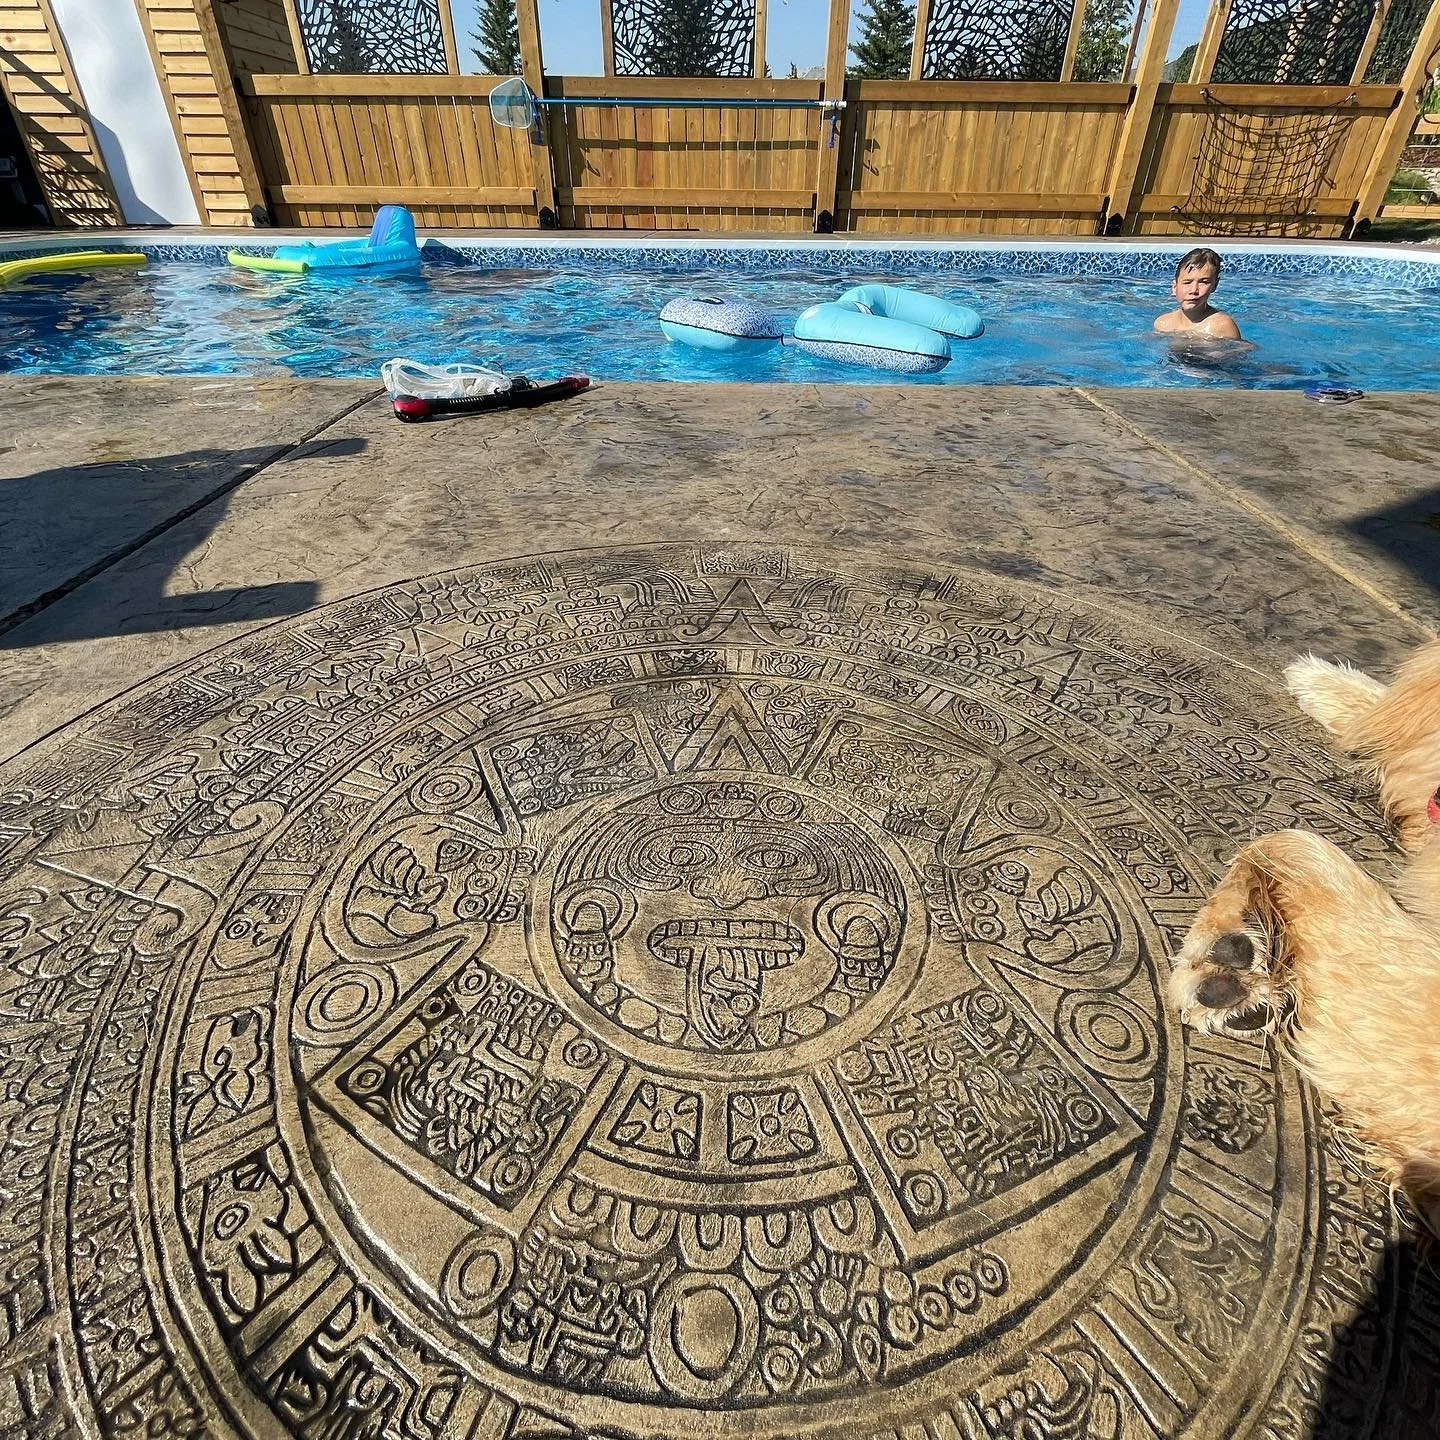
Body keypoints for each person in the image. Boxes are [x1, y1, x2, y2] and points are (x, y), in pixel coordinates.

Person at [1154, 247, 1243, 341]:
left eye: (1203, 282)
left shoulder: (1222, 326)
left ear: (1214, 285)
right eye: (1187, 282)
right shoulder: (1162, 324)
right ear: (1174, 287)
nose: (1194, 290)